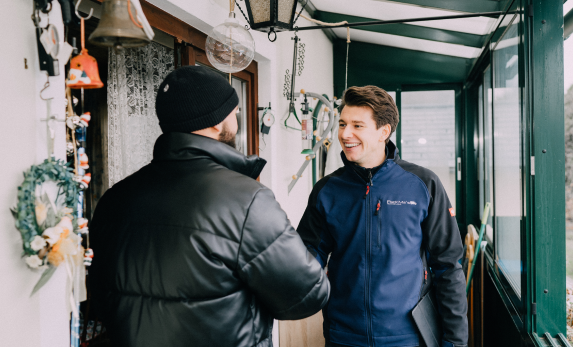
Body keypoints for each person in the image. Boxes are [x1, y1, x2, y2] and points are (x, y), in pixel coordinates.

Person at [89, 66, 330, 347]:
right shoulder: (246, 200)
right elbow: (305, 295)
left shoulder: (114, 198)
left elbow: (102, 295)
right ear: (216, 123)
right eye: (235, 112)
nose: (238, 117)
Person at [297, 86, 467, 347]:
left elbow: (448, 267)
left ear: (383, 132)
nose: (345, 133)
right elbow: (306, 259)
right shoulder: (327, 190)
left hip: (408, 337)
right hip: (344, 337)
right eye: (342, 124)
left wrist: (455, 342)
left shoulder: (423, 184)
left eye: (357, 125)